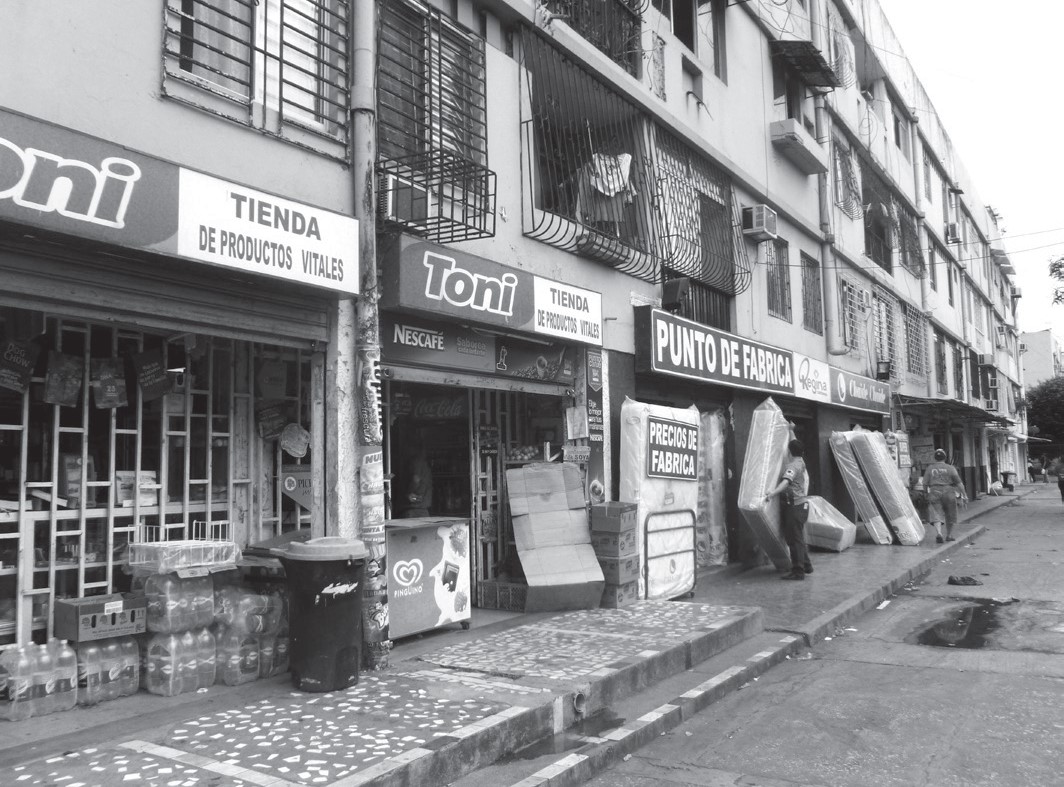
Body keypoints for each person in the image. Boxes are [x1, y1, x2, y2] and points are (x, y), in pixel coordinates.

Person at [765, 439, 812, 580]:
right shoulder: (801, 462)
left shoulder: (792, 467)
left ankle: (798, 572)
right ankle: (806, 565)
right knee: (798, 538)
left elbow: (786, 482)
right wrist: (791, 432)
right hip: (801, 505)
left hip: (795, 506)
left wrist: (772, 494)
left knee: (794, 540)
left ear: (789, 452)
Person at [922, 449, 967, 543]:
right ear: (945, 458)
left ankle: (939, 533)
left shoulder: (930, 468)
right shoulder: (950, 468)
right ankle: (949, 535)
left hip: (934, 492)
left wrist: (926, 493)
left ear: (935, 458)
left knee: (936, 513)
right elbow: (959, 483)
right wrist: (964, 495)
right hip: (948, 492)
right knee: (950, 514)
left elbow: (925, 483)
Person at [402, 449, 433, 518]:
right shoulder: (425, 465)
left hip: (414, 510)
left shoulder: (416, 461)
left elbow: (415, 479)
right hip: (423, 509)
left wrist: (409, 493)